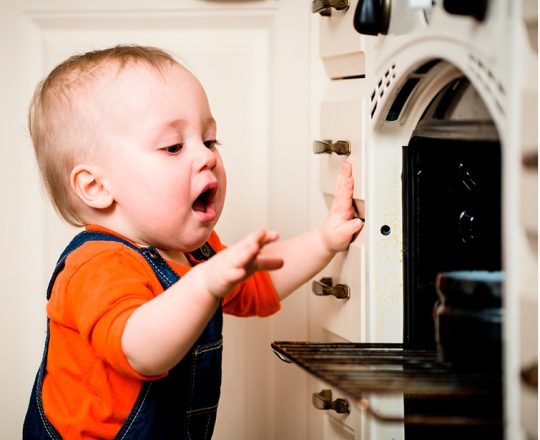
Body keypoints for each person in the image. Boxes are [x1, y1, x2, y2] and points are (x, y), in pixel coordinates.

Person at [23, 45, 364, 439]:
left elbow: (257, 281)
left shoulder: (192, 254)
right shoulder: (97, 267)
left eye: (210, 140)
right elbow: (141, 350)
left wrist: (324, 239)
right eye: (173, 147)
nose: (206, 157)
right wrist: (205, 284)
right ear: (96, 187)